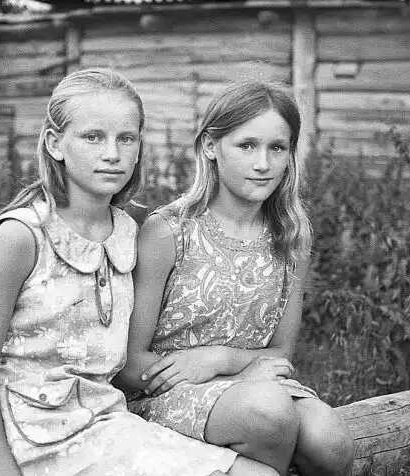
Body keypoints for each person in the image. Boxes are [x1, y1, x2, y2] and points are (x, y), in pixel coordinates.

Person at [0, 68, 278, 476]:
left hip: (108, 421)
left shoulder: (126, 231)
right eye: (93, 137)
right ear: (55, 143)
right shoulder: (23, 235)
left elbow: (132, 358)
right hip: (37, 437)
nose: (112, 153)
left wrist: (234, 367)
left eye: (126, 138)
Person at [118, 81, 356, 476]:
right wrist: (232, 377)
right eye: (246, 145)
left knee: (331, 443)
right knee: (270, 414)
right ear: (211, 146)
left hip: (257, 380)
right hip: (167, 392)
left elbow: (281, 354)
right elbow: (128, 363)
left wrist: (224, 360)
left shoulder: (291, 236)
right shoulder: (169, 231)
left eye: (277, 148)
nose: (263, 163)